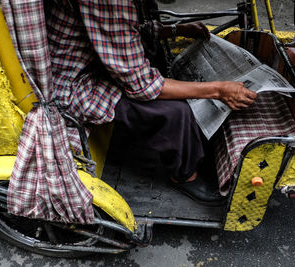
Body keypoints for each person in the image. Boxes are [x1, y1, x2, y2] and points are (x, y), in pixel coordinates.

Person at [45, 0, 257, 205]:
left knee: (163, 66)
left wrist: (178, 29)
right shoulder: (109, 2)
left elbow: (131, 30)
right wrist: (218, 90)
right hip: (75, 85)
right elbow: (143, 86)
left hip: (98, 64)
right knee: (175, 111)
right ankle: (184, 176)